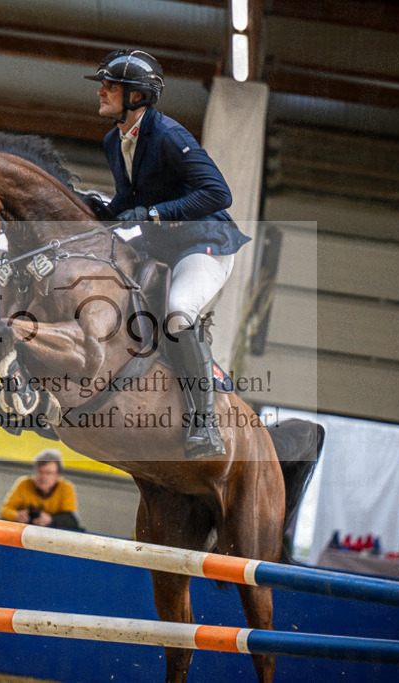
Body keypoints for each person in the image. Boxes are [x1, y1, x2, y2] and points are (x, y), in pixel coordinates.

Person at [85, 48, 251, 460]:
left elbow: (218, 193)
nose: (102, 91)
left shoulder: (170, 136)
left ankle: (205, 425)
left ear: (136, 97)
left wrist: (157, 213)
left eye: (111, 86)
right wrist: (99, 210)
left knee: (178, 312)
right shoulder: (114, 140)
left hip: (204, 244)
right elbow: (128, 200)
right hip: (161, 248)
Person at [0, 449, 83, 530]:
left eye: (48, 473)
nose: (43, 477)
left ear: (57, 476)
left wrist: (50, 519)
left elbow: (71, 519)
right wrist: (16, 516)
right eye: (40, 472)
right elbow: (4, 510)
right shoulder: (24, 484)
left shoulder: (65, 488)